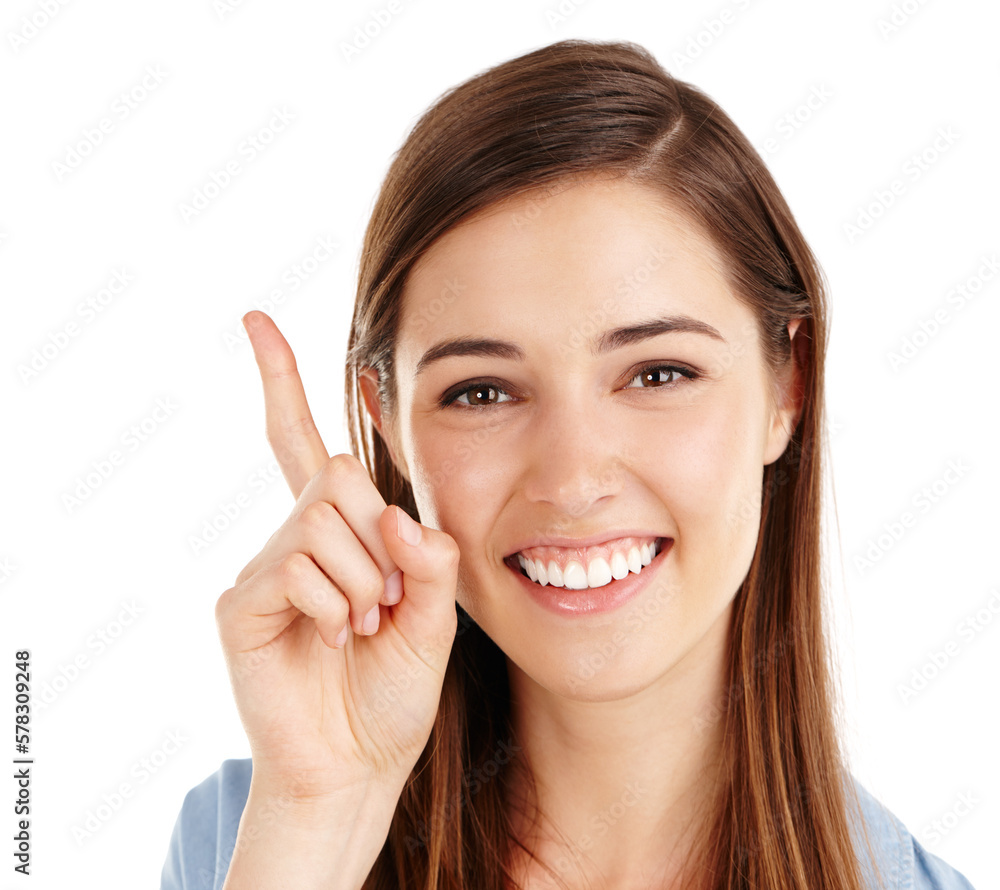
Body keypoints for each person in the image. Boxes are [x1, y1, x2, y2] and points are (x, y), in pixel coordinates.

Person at [160, 40, 976, 890]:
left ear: (788, 385)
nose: (574, 480)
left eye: (660, 373)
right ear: (386, 421)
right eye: (482, 392)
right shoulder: (258, 838)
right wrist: (321, 825)